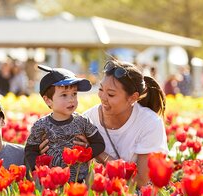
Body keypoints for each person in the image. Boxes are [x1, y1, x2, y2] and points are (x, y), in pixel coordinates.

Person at [38, 60, 168, 188]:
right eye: (101, 89)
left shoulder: (149, 123)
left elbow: (142, 181)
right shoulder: (88, 119)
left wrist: (96, 151)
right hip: (100, 195)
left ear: (133, 98)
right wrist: (47, 148)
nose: (102, 97)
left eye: (111, 94)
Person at [24, 65, 105, 182]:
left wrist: (86, 152)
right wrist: (36, 170)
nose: (71, 99)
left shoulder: (82, 121)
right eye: (64, 95)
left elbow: (99, 143)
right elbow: (30, 150)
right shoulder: (40, 125)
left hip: (79, 180)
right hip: (51, 181)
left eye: (74, 94)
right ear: (48, 100)